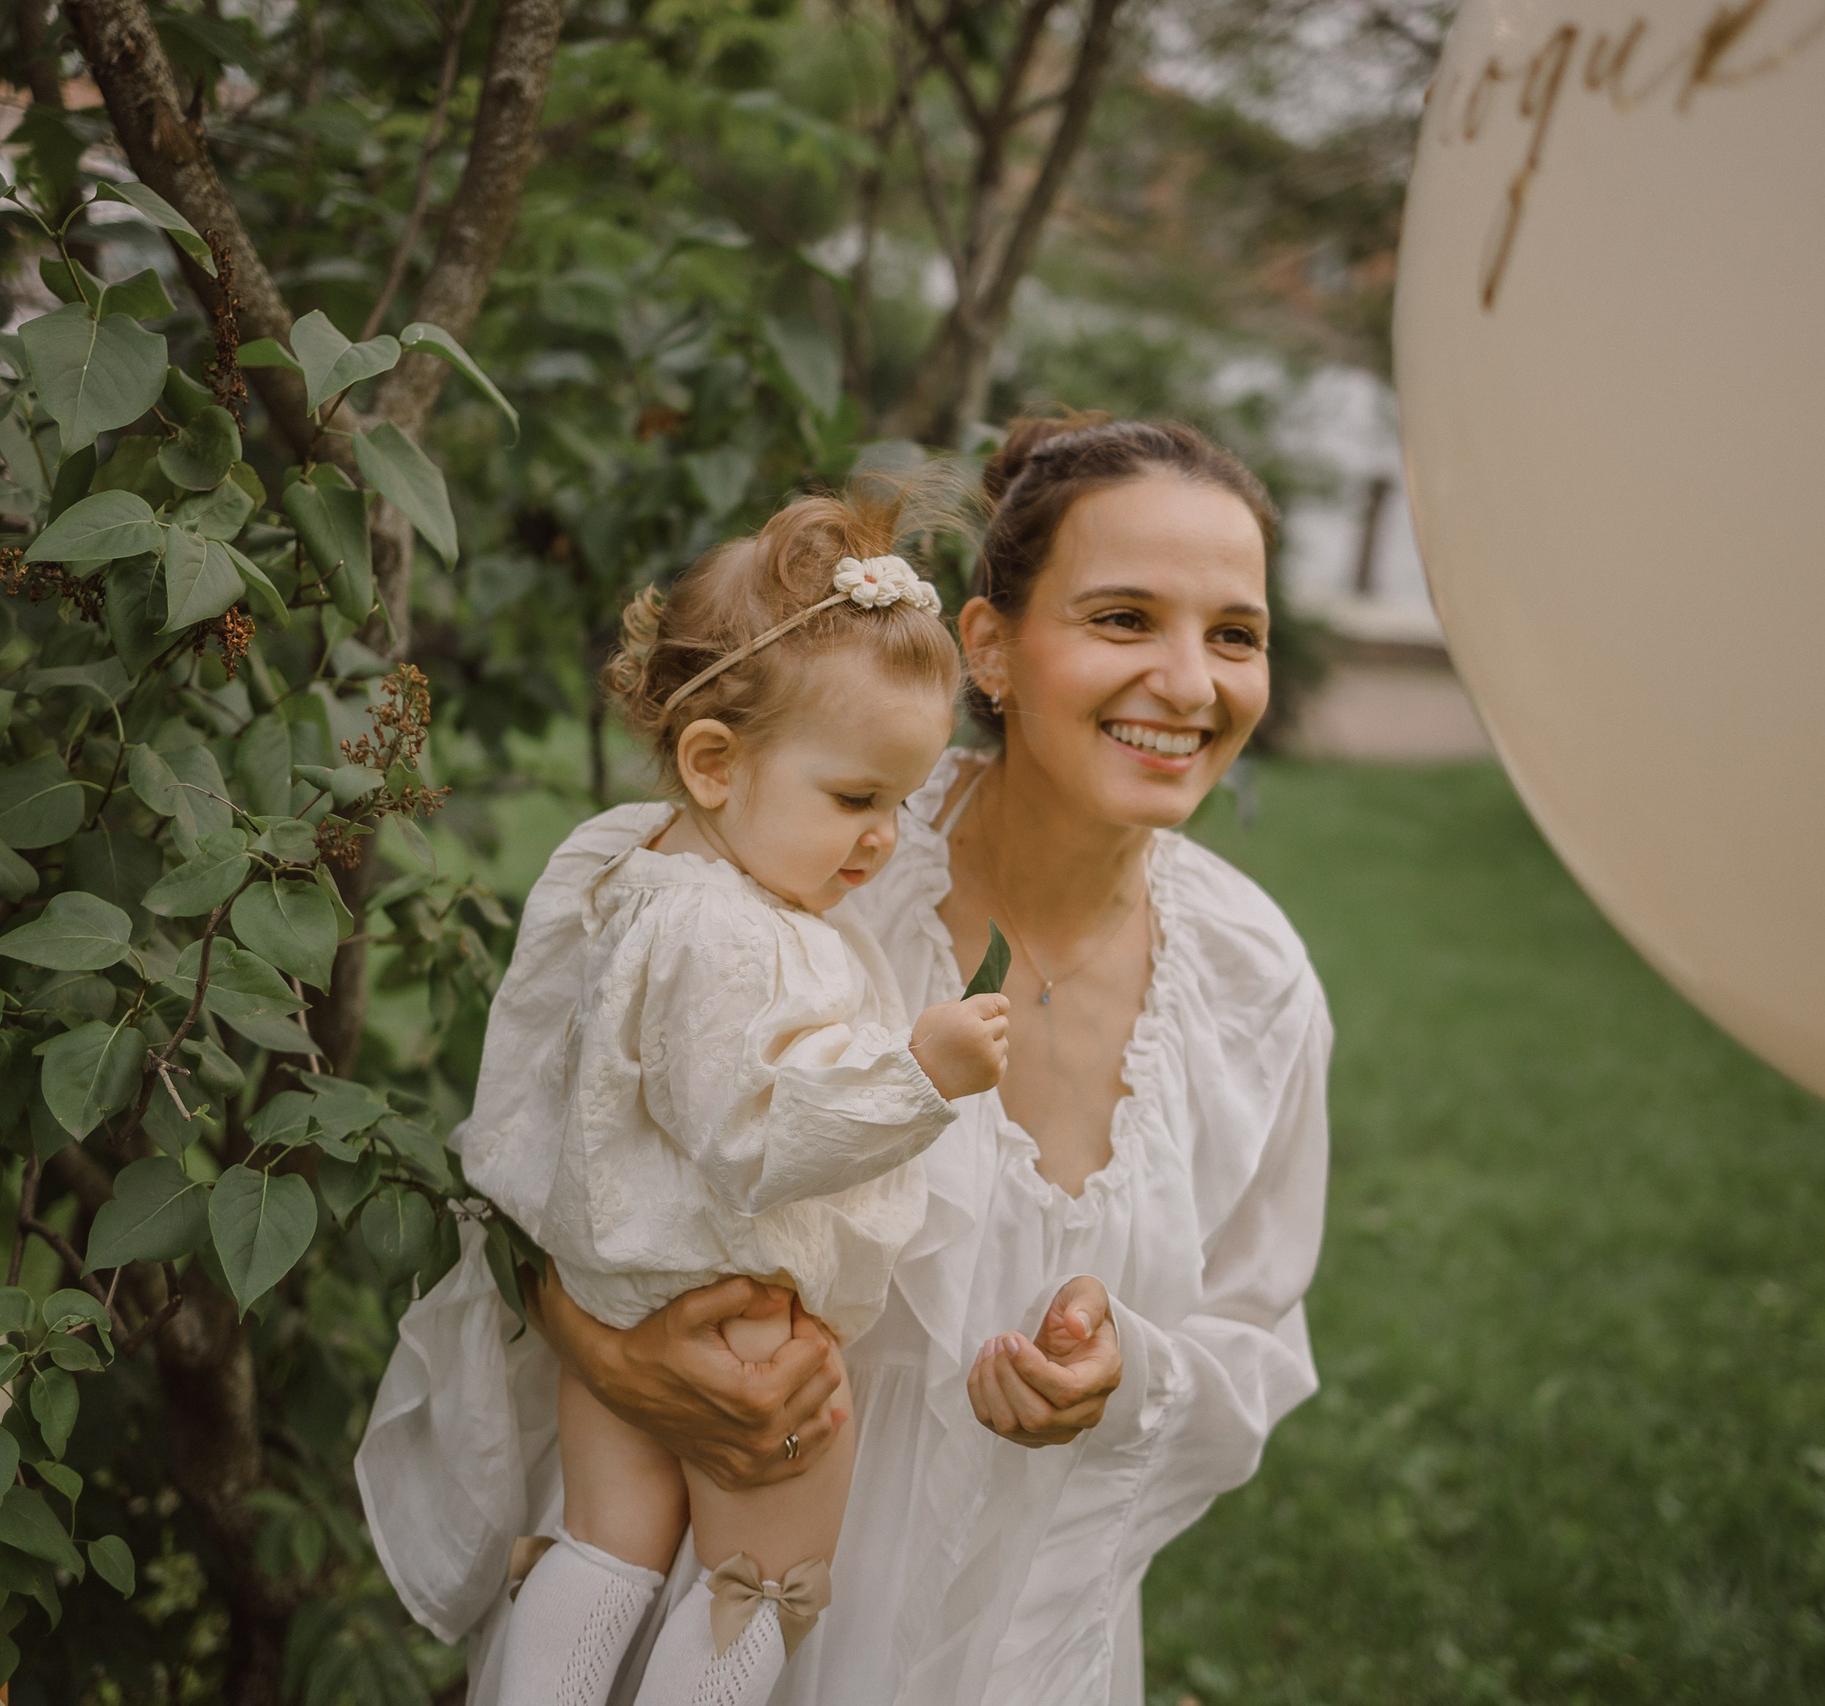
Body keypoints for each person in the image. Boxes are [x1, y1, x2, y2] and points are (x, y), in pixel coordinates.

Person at [356, 413, 1331, 1706]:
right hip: (699, 1591)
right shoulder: (791, 860)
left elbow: (1257, 1331)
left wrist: (1124, 1377)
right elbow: (559, 1125)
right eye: (1123, 617)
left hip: (1007, 1646)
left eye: (1235, 633)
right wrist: (602, 1346)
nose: (1189, 683)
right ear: (988, 644)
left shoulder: (1255, 983)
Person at [461, 485, 1015, 1706]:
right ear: (715, 762)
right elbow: (755, 1127)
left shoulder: (628, 861)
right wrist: (919, 1072)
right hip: (745, 1304)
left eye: (902, 804)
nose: (878, 842)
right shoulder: (738, 932)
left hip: (621, 1281)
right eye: (856, 799)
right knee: (764, 1575)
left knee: (606, 1545)